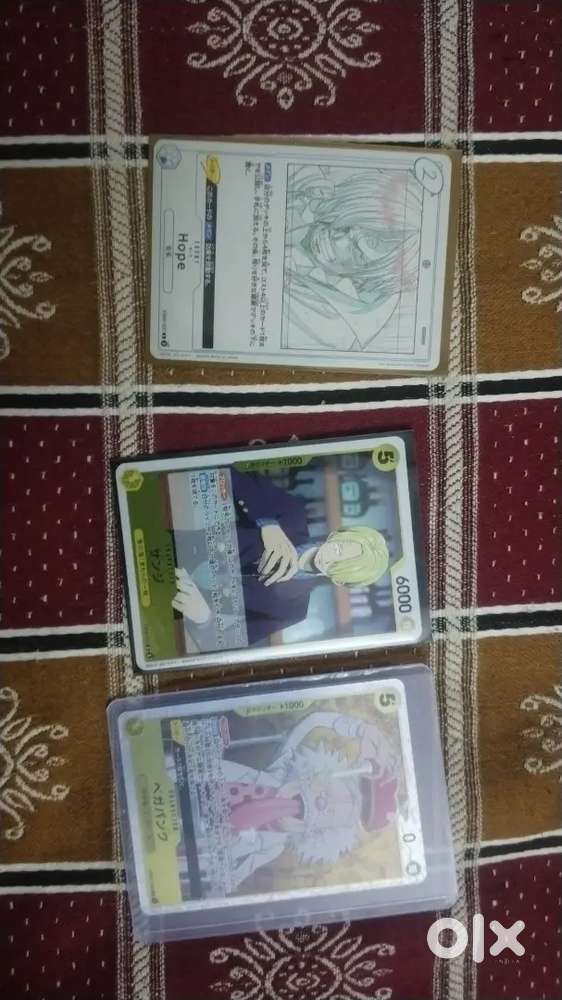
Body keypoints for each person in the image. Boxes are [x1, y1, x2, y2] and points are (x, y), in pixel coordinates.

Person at [172, 467, 389, 644]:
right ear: (337, 535)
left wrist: (204, 620)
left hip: (175, 604)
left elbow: (228, 643)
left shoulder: (294, 610)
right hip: (172, 547)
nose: (330, 558)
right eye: (338, 549)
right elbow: (229, 472)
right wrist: (269, 524)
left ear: (339, 581)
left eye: (339, 565)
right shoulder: (292, 514)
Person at [218, 709, 400, 891]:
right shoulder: (280, 770)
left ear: (320, 832)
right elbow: (313, 721)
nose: (321, 803)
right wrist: (360, 729)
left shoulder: (273, 846)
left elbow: (231, 878)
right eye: (327, 793)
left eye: (331, 813)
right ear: (320, 774)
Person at [282, 164, 422, 352]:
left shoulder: (329, 325)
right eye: (347, 225)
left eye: (357, 253)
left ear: (365, 279)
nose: (337, 239)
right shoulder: (309, 184)